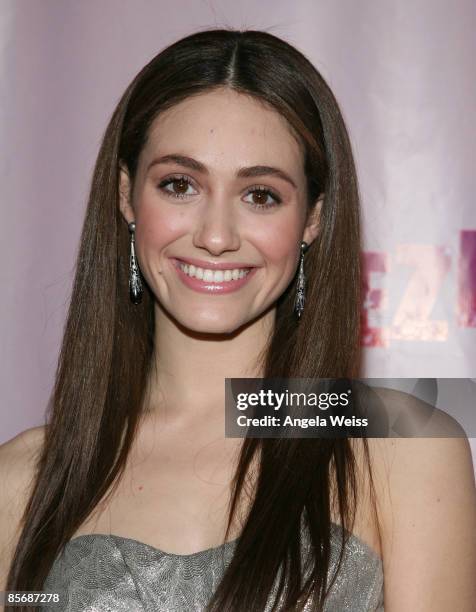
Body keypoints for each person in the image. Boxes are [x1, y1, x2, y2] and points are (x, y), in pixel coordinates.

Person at [1, 28, 475, 612]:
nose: (216, 236)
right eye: (179, 185)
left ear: (313, 219)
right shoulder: (23, 481)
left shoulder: (406, 442)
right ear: (127, 197)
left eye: (261, 195)